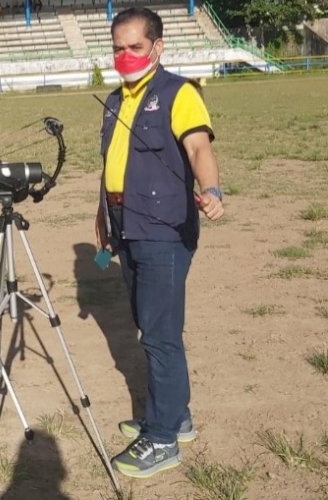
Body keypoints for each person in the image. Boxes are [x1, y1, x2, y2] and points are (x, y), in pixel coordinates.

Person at [95, 7, 225, 479]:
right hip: (125, 225)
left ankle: (163, 438)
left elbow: (198, 147)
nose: (125, 56)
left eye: (135, 46)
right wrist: (102, 218)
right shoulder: (114, 100)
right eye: (117, 48)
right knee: (151, 326)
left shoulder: (179, 93)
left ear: (158, 46)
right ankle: (177, 414)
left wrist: (211, 190)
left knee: (159, 335)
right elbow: (112, 164)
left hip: (162, 231)